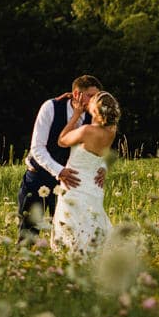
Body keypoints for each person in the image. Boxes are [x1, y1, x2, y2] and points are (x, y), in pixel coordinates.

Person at [18, 76, 105, 241]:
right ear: (76, 94)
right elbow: (37, 148)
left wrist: (103, 168)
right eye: (90, 96)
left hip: (70, 183)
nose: (94, 101)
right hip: (38, 177)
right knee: (28, 235)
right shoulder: (51, 107)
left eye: (97, 97)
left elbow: (101, 148)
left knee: (67, 235)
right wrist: (59, 171)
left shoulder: (95, 116)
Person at [51, 91, 120, 255]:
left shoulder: (87, 130)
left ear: (95, 110)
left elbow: (62, 140)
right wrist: (103, 167)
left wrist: (75, 115)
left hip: (75, 187)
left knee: (73, 229)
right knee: (92, 226)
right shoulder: (112, 131)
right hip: (94, 187)